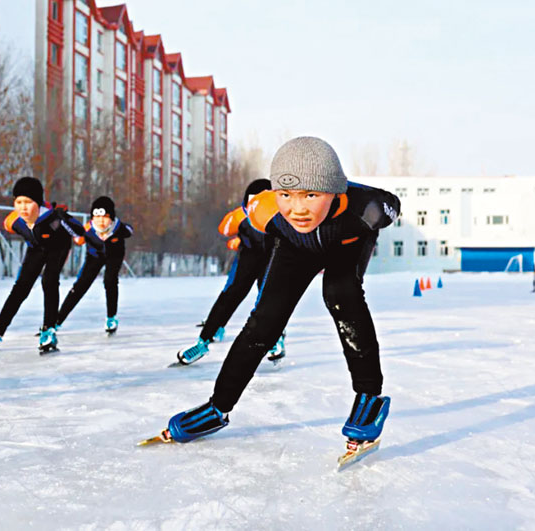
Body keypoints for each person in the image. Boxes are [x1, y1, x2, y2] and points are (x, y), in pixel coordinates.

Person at [164, 137, 400, 448]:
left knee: (341, 294)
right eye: (286, 195)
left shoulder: (368, 208)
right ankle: (217, 407)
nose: (297, 208)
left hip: (347, 242)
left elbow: (392, 205)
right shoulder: (264, 211)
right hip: (296, 246)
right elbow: (241, 224)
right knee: (264, 321)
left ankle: (369, 396)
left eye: (311, 195)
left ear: (334, 191)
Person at [0, 177, 100, 354]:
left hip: (58, 246)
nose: (23, 207)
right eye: (19, 202)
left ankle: (49, 330)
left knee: (49, 281)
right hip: (36, 248)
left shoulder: (54, 219)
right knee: (20, 289)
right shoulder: (13, 221)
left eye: (28, 202)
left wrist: (65, 219)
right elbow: (9, 226)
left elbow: (80, 231)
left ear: (38, 203)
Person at [175, 179, 287, 366]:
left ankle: (276, 339)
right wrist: (237, 230)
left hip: (271, 260)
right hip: (247, 261)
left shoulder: (279, 217)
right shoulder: (242, 215)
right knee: (230, 296)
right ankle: (204, 340)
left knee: (269, 299)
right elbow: (224, 228)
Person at [56, 196, 133, 333]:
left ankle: (111, 317)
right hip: (94, 256)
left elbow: (129, 230)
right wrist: (65, 219)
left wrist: (123, 231)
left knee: (110, 281)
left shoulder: (118, 227)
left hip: (114, 256)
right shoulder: (89, 228)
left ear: (111, 217)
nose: (101, 221)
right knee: (80, 285)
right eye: (96, 217)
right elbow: (78, 239)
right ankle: (57, 321)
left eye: (104, 217)